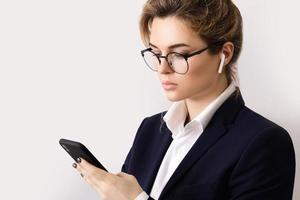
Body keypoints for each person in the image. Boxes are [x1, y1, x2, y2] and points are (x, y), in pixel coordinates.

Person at [72, 0, 296, 199]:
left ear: (224, 54)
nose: (163, 68)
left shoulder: (263, 142)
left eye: (178, 54)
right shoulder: (150, 130)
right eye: (156, 53)